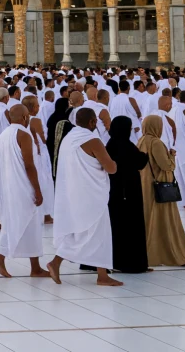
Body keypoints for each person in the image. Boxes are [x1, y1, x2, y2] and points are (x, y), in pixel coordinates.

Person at [49, 108, 122, 286]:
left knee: (83, 233)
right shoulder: (93, 140)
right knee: (97, 234)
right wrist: (115, 163)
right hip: (92, 194)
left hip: (73, 192)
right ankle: (100, 276)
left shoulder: (69, 138)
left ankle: (99, 273)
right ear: (92, 122)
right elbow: (111, 168)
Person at [0, 105, 49, 279]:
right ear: (24, 117)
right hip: (23, 187)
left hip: (9, 186)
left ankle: (35, 267)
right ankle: (0, 259)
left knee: (25, 224)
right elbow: (29, 165)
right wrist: (37, 189)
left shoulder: (3, 135)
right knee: (21, 222)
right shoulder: (23, 135)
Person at [138, 114, 185, 267]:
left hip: (146, 186)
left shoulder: (141, 141)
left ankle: (150, 254)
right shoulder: (156, 142)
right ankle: (173, 254)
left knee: (150, 221)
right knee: (166, 222)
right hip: (160, 188)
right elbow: (166, 166)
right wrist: (171, 157)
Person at [103, 115, 149, 275]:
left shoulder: (111, 144)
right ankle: (131, 263)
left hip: (115, 191)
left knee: (118, 226)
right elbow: (139, 162)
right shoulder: (126, 145)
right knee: (131, 226)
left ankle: (117, 261)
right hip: (128, 191)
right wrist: (145, 155)